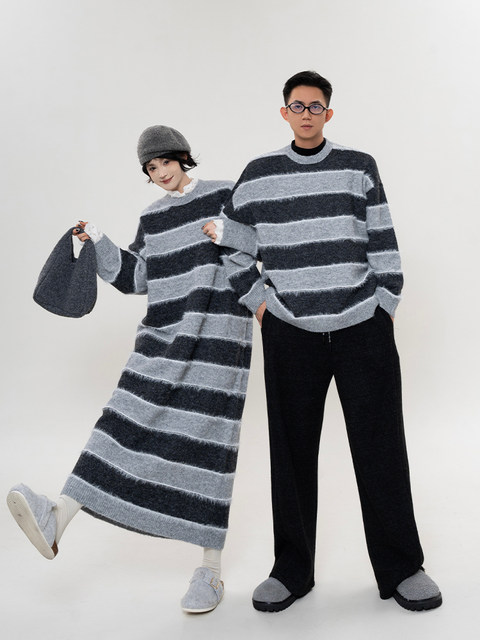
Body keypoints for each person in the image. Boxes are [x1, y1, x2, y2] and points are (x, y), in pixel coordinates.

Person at [203, 71, 442, 613]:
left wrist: (385, 303)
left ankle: (403, 567)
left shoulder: (359, 166)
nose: (307, 114)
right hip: (290, 329)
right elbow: (234, 244)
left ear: (328, 114)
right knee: (290, 454)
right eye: (297, 105)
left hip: (362, 326)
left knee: (381, 449)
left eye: (316, 106)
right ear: (284, 112)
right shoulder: (258, 175)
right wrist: (259, 302)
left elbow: (382, 236)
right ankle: (291, 571)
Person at [7, 125, 253, 614]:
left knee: (208, 445)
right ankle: (57, 516)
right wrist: (100, 241)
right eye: (150, 168)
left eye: (164, 162)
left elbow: (257, 242)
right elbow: (139, 277)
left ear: (182, 157)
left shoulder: (225, 194)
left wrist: (231, 235)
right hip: (160, 339)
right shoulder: (152, 218)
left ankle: (210, 570)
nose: (159, 173)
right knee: (120, 421)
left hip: (218, 339)